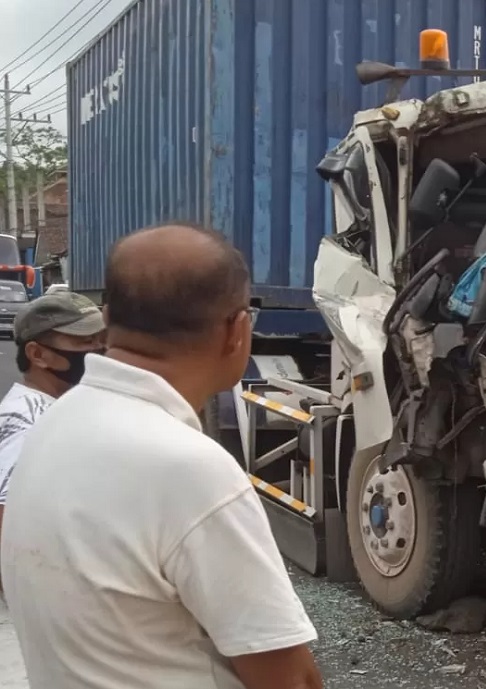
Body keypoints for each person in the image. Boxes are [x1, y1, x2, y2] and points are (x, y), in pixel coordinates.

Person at [0, 224, 322, 689]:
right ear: (237, 330)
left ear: (107, 318)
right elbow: (288, 679)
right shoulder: (190, 470)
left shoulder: (53, 423)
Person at [0, 291, 106, 538]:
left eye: (100, 339)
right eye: (84, 341)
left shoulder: (59, 409)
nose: (99, 349)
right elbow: (6, 519)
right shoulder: (28, 423)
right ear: (37, 355)